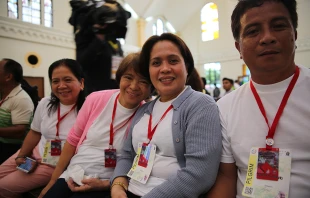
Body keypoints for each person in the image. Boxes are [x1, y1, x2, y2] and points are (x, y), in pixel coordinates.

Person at [208, 0, 310, 197]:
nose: (267, 38)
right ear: (239, 47)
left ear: (294, 35)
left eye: (278, 26)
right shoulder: (225, 107)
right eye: (253, 31)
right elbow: (227, 177)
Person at [111, 33, 222, 198]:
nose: (164, 69)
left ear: (187, 66)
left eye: (173, 60)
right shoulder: (143, 109)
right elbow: (127, 154)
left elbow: (199, 174)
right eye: (156, 63)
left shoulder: (200, 105)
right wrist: (117, 185)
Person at [41, 53, 151, 198]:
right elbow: (73, 140)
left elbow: (142, 164)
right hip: (73, 173)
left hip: (106, 182)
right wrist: (53, 181)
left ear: (151, 87)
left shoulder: (147, 115)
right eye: (128, 77)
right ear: (119, 78)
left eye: (143, 81)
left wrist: (108, 184)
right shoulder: (96, 99)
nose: (133, 86)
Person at [0, 59, 85, 198]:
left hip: (53, 165)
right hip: (32, 155)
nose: (61, 86)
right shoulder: (45, 103)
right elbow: (35, 132)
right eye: (55, 81)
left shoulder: (88, 109)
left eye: (67, 79)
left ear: (81, 83)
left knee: (3, 188)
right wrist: (22, 154)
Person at [70, 0, 131, 95]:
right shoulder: (86, 38)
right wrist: (98, 38)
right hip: (95, 93)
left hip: (115, 91)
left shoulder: (115, 42)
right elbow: (82, 63)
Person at [0, 58, 34, 164]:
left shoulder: (21, 99)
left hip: (12, 150)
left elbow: (19, 131)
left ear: (8, 77)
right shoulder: (3, 94)